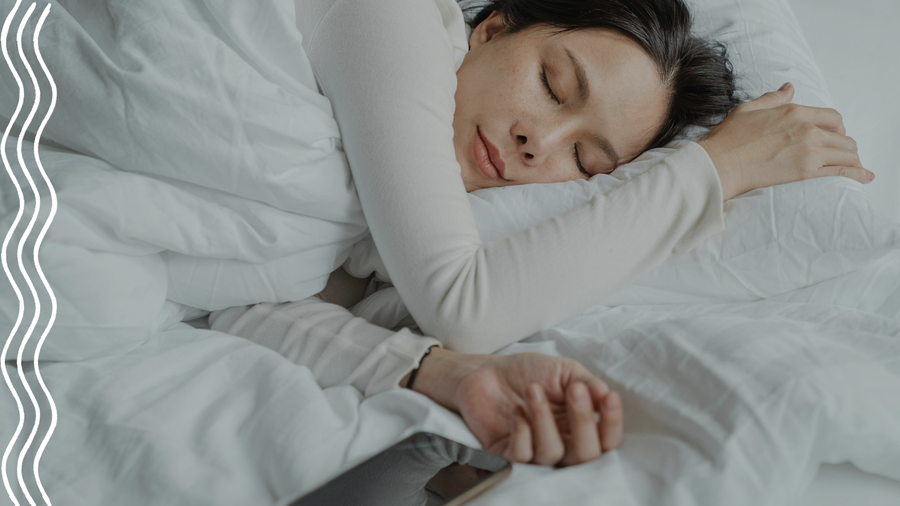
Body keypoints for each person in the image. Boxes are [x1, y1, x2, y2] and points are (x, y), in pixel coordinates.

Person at [207, 0, 870, 468]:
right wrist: (716, 170)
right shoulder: (390, 16)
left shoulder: (375, 226)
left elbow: (240, 305)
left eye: (585, 160)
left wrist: (448, 376)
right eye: (553, 85)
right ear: (493, 28)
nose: (538, 141)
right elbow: (464, 305)